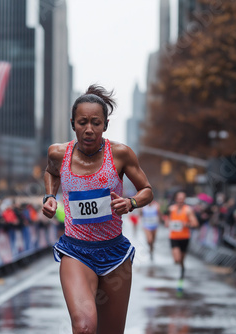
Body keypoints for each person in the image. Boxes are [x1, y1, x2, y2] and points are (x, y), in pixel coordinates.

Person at [42, 84, 153, 334]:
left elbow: (147, 190)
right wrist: (49, 196)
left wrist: (131, 202)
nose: (89, 129)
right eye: (83, 122)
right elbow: (50, 171)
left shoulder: (121, 154)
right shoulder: (59, 153)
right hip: (76, 251)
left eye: (96, 123)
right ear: (73, 123)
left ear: (106, 125)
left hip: (115, 254)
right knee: (84, 327)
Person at [165, 191, 198, 293]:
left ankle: (182, 271)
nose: (180, 200)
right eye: (179, 198)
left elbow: (195, 224)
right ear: (176, 199)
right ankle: (181, 267)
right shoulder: (171, 209)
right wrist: (168, 222)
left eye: (182, 198)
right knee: (177, 259)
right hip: (174, 237)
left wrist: (186, 224)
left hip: (184, 238)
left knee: (182, 260)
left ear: (184, 200)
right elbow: (167, 220)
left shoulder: (188, 210)